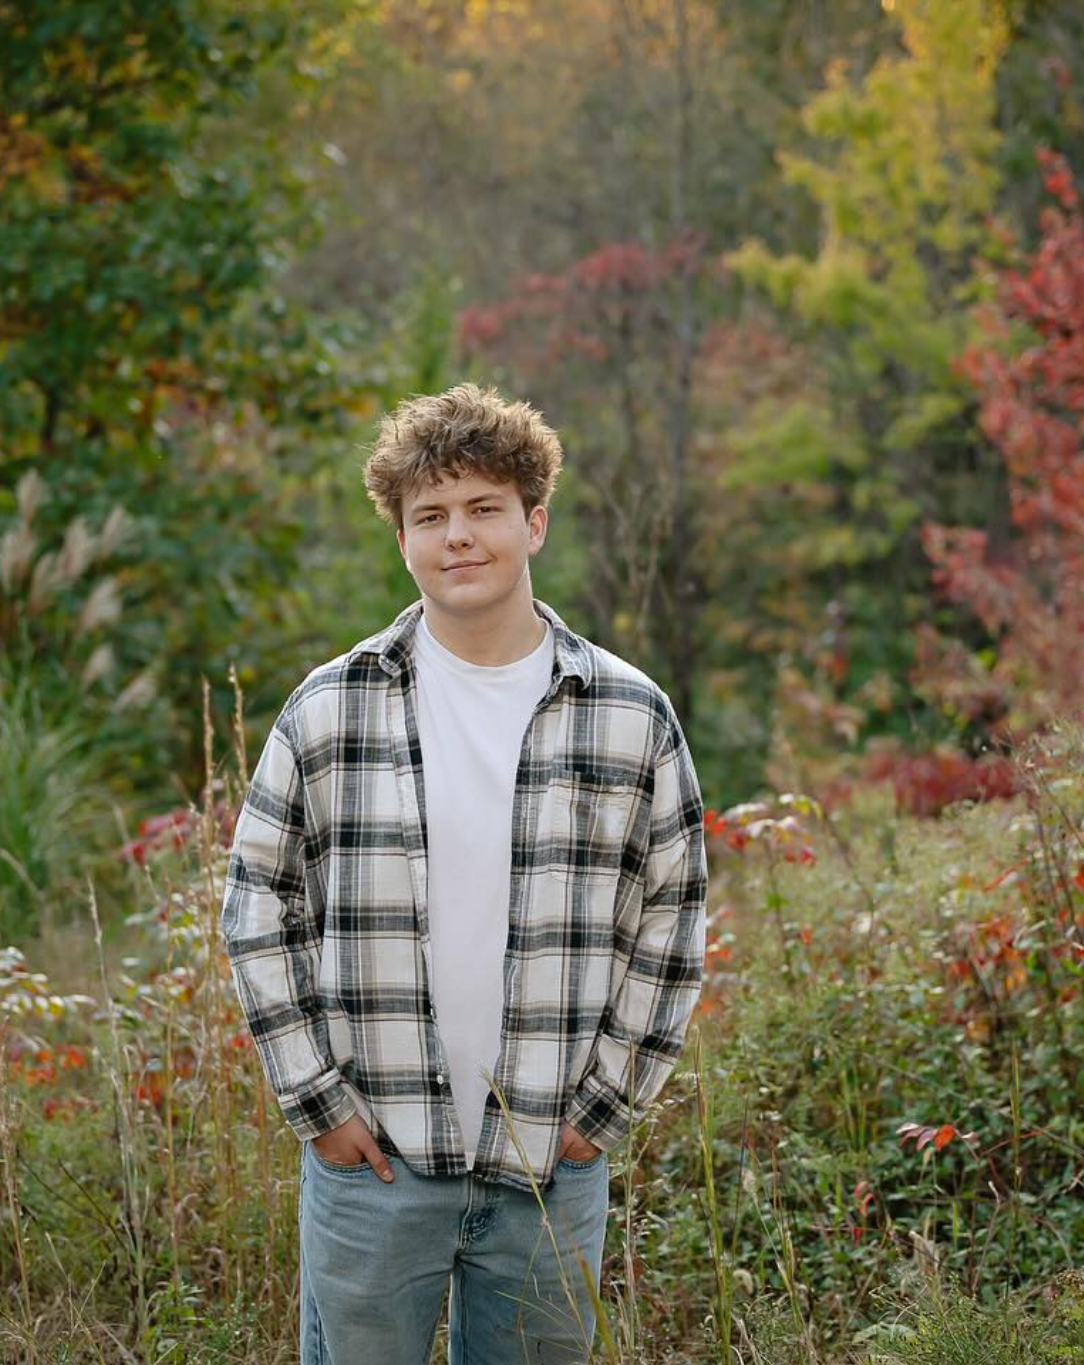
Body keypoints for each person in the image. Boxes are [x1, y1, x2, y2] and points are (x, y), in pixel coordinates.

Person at [222, 382, 708, 1365]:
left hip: (546, 1167)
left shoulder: (628, 713)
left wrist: (600, 1109)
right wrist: (317, 1105)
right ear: (401, 539)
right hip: (372, 1168)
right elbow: (255, 910)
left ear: (533, 522)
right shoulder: (330, 708)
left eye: (483, 509)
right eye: (429, 516)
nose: (458, 536)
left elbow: (672, 918)